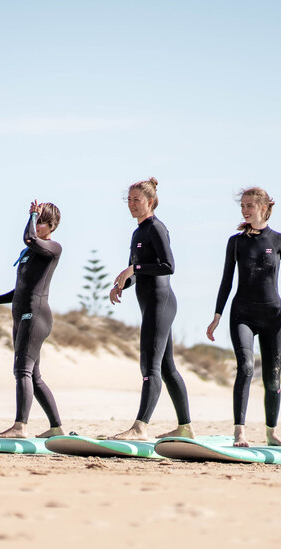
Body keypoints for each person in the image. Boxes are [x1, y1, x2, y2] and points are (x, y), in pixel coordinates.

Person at [207, 187, 281, 447]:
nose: (245, 210)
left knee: (273, 376)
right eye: (243, 206)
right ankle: (239, 432)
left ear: (263, 207)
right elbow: (226, 280)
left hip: (272, 315)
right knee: (246, 368)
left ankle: (271, 432)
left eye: (250, 205)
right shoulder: (236, 241)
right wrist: (217, 314)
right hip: (242, 314)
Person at [0, 201, 65, 439]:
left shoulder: (52, 248)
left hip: (35, 316)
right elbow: (21, 290)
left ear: (50, 225)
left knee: (21, 370)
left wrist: (31, 215)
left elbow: (30, 239)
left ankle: (19, 427)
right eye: (36, 220)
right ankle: (56, 428)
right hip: (21, 315)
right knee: (34, 376)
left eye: (40, 221)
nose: (36, 225)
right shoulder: (29, 254)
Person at [108, 178, 191, 440]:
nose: (132, 204)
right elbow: (136, 270)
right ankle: (185, 428)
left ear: (151, 202)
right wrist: (124, 283)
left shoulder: (156, 228)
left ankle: (139, 427)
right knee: (166, 368)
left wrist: (135, 269)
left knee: (150, 366)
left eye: (137, 200)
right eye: (129, 200)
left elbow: (168, 266)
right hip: (150, 305)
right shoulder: (137, 232)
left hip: (161, 303)